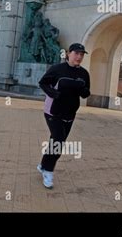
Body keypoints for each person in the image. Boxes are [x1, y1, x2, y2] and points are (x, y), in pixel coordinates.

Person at [37, 43, 91, 189]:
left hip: (70, 113)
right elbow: (43, 83)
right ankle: (48, 171)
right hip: (53, 111)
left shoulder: (84, 74)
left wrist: (84, 90)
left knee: (56, 140)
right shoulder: (57, 69)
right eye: (76, 53)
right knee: (58, 141)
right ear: (68, 54)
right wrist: (54, 94)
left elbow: (86, 93)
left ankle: (43, 164)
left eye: (81, 54)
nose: (79, 57)